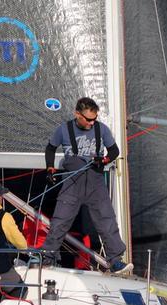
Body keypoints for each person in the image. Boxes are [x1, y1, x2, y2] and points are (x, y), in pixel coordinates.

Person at [42, 97, 132, 274]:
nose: (92, 122)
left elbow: (114, 151)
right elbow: (50, 148)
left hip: (95, 181)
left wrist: (105, 159)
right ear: (77, 114)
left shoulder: (101, 129)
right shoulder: (64, 129)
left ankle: (115, 261)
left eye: (95, 118)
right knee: (60, 220)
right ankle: (47, 257)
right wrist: (50, 169)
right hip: (72, 181)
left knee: (106, 220)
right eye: (89, 119)